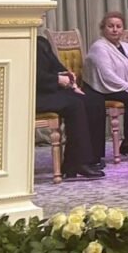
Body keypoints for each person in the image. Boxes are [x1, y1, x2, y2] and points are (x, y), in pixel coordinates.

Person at [83, 12, 128, 159]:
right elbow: (108, 76)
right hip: (104, 88)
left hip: (126, 86)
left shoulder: (127, 47)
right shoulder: (99, 47)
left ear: (123, 29)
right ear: (103, 28)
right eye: (110, 26)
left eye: (118, 26)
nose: (115, 29)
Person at [36, 35, 106, 179]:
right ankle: (78, 162)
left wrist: (71, 82)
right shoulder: (20, 43)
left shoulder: (40, 41)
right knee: (75, 105)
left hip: (49, 89)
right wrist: (57, 79)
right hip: (34, 95)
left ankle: (91, 158)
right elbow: (31, 75)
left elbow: (56, 67)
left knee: (93, 100)